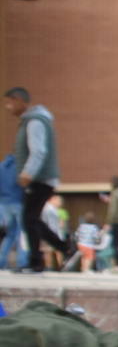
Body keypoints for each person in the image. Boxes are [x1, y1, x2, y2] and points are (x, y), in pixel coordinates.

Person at [4, 87, 65, 273]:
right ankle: (63, 247)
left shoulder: (35, 122)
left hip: (40, 178)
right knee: (32, 218)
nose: (8, 107)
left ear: (19, 100)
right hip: (40, 178)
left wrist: (27, 174)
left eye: (9, 102)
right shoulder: (32, 121)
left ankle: (37, 261)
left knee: (29, 218)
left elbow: (38, 150)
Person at [0, 153, 25, 270]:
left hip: (4, 203)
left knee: (9, 234)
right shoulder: (20, 167)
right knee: (22, 233)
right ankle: (22, 261)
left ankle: (1, 261)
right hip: (18, 202)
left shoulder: (1, 167)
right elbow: (23, 185)